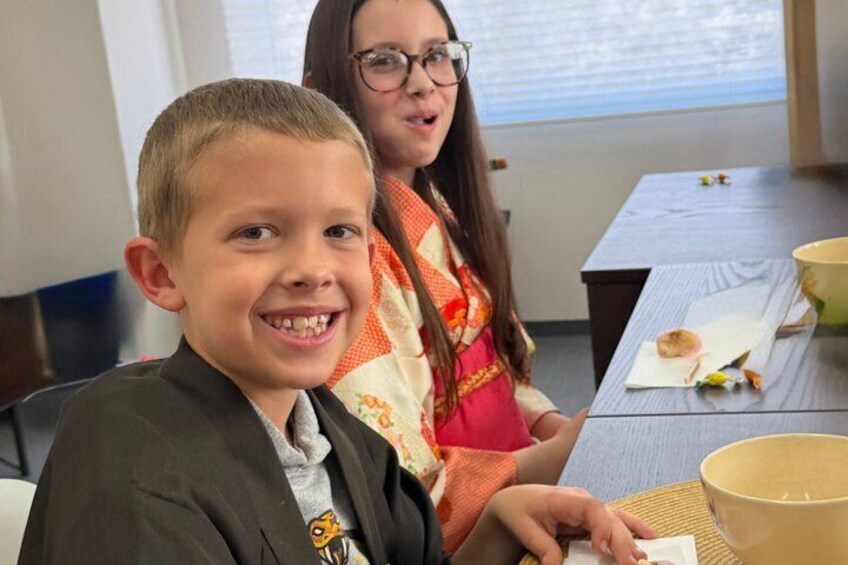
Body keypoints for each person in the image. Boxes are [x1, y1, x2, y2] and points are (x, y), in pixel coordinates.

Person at [18, 79, 653, 565]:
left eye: (340, 231)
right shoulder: (132, 479)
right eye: (256, 232)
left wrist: (498, 525)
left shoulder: (326, 425)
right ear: (161, 274)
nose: (312, 269)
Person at [304, 0, 587, 548]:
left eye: (436, 55)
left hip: (527, 489)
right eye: (384, 61)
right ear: (323, 89)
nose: (423, 84)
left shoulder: (443, 210)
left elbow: (501, 372)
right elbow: (402, 491)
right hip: (475, 539)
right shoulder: (348, 264)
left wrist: (553, 427)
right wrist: (556, 454)